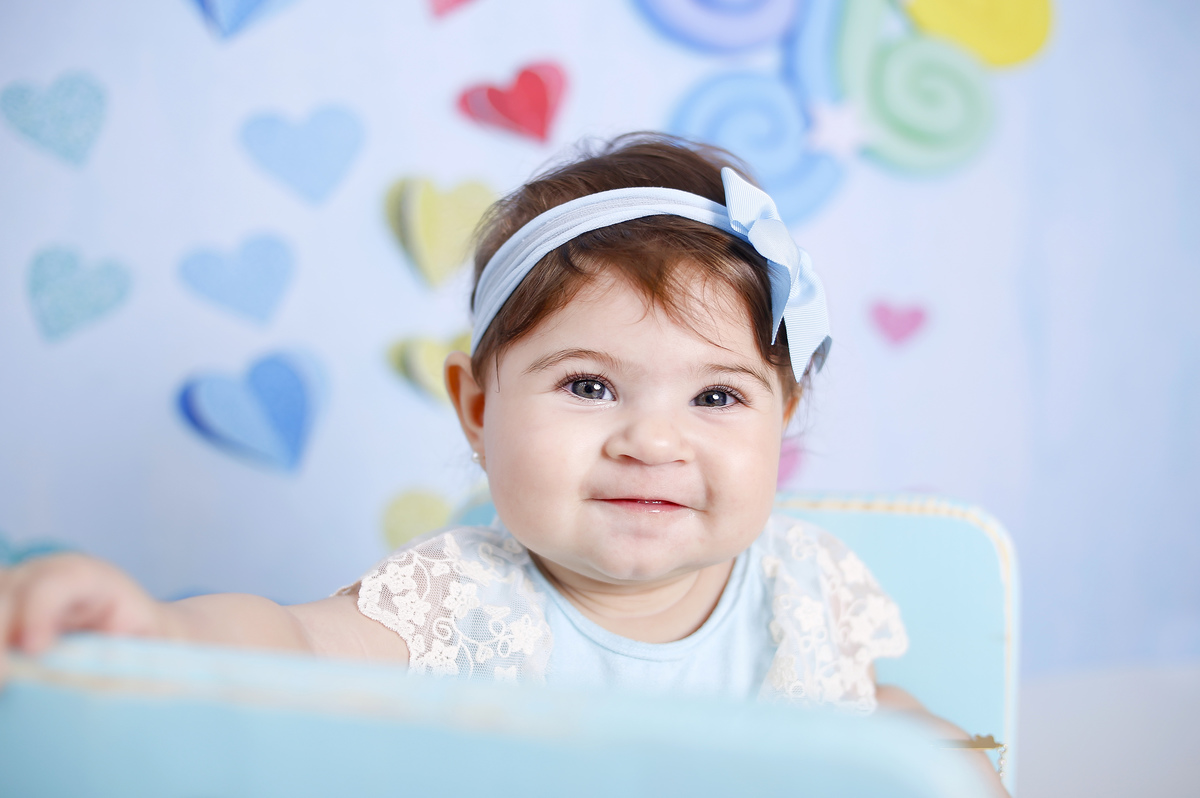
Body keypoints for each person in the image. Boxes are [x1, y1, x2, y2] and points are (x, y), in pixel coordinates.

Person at [0, 134, 1004, 792]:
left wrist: (951, 761)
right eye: (589, 385)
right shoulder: (462, 602)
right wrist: (156, 630)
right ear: (477, 410)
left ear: (781, 422)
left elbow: (867, 713)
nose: (652, 441)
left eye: (716, 397)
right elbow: (288, 642)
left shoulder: (805, 590)